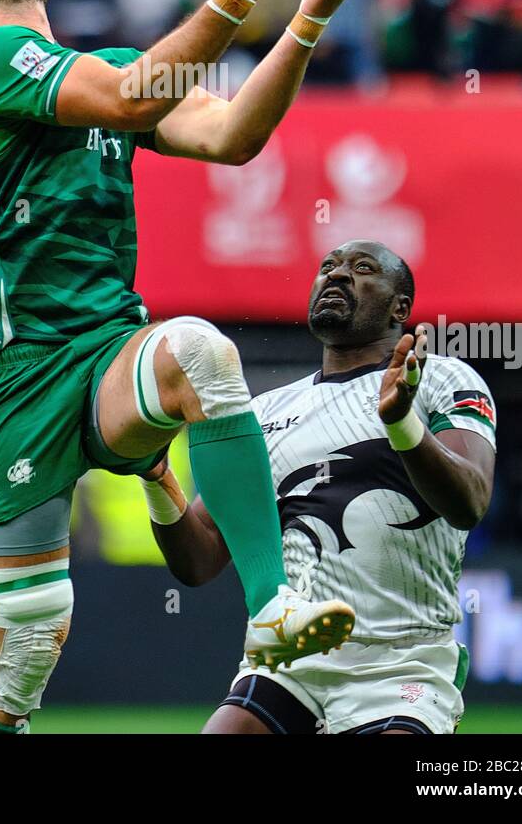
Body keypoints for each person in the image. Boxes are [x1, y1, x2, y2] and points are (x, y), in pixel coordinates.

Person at [0, 0, 377, 734]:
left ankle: (272, 609)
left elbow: (231, 135)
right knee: (22, 655)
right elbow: (131, 99)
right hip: (5, 382)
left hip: (101, 356)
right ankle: (161, 497)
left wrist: (299, 23)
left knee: (199, 349)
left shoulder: (116, 66)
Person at [140, 240, 496, 735]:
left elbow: (470, 502)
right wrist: (155, 475)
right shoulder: (262, 414)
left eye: (363, 268)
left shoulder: (444, 378)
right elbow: (198, 563)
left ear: (401, 307)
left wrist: (401, 425)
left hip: (400, 662)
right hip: (290, 663)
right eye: (327, 267)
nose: (338, 275)